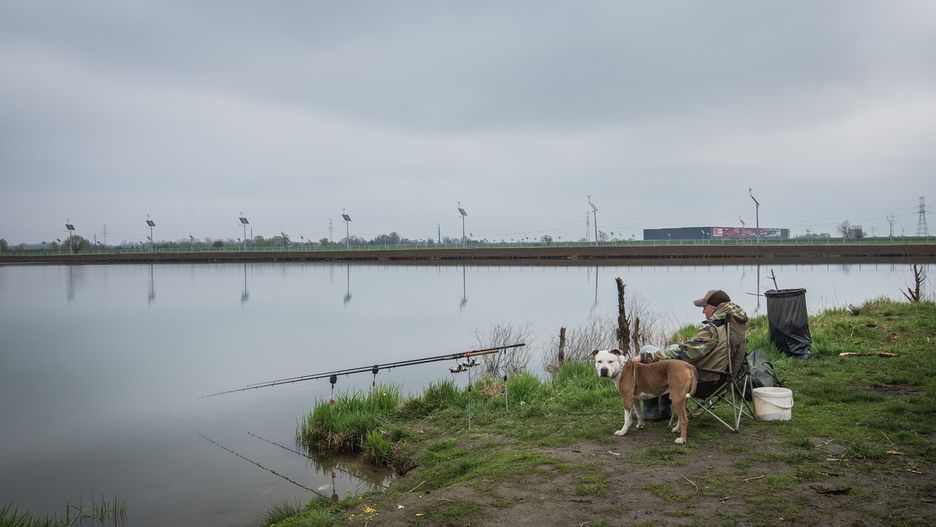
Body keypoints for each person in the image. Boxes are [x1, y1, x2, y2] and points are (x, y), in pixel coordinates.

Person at [636, 289, 749, 420]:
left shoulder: (713, 328)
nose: (703, 311)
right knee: (673, 348)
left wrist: (647, 356)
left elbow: (684, 353)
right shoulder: (735, 322)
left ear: (713, 308)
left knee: (647, 348)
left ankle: (651, 411)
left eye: (704, 307)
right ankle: (664, 409)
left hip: (699, 379)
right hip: (723, 377)